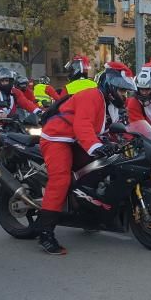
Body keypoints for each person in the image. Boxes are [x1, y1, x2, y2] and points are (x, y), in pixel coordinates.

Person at [37, 62, 137, 254]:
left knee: (102, 167)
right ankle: (45, 233)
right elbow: (82, 125)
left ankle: (86, 210)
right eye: (122, 91)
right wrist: (97, 146)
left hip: (77, 140)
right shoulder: (92, 96)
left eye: (126, 92)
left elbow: (115, 129)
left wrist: (132, 139)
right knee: (61, 179)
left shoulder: (111, 105)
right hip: (58, 137)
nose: (125, 95)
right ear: (111, 86)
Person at [0, 68, 37, 195]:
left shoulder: (16, 92)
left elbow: (26, 102)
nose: (5, 83)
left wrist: (39, 111)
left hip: (14, 123)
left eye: (7, 80)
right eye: (3, 81)